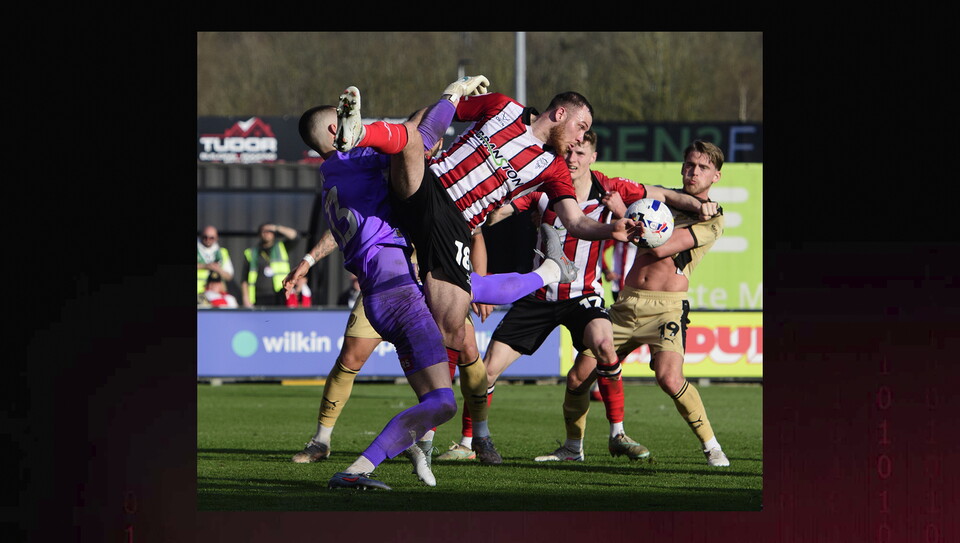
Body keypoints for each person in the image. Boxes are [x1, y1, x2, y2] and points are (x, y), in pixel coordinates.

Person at [333, 79, 664, 463]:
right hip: (429, 187)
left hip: (454, 226)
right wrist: (449, 101)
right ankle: (359, 132)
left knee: (451, 327)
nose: (580, 140)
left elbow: (575, 221)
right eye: (580, 128)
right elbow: (441, 116)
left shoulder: (554, 169)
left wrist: (611, 229)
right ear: (559, 114)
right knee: (410, 136)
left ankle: (417, 434)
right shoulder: (503, 107)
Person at [294, 96, 578, 489]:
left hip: (387, 293)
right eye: (351, 126)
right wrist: (450, 96)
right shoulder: (357, 161)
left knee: (439, 400)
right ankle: (355, 469)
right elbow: (418, 135)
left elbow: (411, 138)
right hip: (399, 296)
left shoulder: (336, 175)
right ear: (336, 133)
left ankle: (390, 456)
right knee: (441, 389)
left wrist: (545, 273)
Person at [436, 130, 715, 463]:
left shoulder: (610, 188)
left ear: (593, 157)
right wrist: (486, 213)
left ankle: (618, 434)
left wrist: (702, 205)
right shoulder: (543, 187)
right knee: (488, 370)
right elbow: (503, 210)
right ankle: (471, 441)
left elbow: (661, 193)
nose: (573, 159)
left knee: (605, 345)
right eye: (569, 152)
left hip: (583, 295)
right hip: (538, 296)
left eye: (581, 153)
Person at [540, 139, 731, 467]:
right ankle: (573, 447)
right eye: (689, 165)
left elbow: (660, 247)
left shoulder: (713, 218)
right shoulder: (661, 200)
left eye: (703, 168)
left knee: (669, 378)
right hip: (627, 305)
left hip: (666, 308)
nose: (693, 172)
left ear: (716, 176)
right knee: (577, 378)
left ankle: (712, 447)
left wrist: (620, 212)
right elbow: (634, 198)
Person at [240, 222, 299, 307]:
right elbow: (244, 279)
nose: (266, 233)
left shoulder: (281, 247)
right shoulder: (251, 253)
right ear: (259, 234)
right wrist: (245, 298)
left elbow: (295, 237)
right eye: (263, 231)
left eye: (269, 231)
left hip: (279, 294)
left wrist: (276, 227)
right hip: (258, 296)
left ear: (274, 233)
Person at [197, 225, 234, 296]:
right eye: (205, 237)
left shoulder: (222, 252)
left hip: (214, 294)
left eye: (211, 238)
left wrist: (217, 269)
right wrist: (205, 266)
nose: (208, 240)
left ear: (216, 238)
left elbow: (229, 276)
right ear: (201, 236)